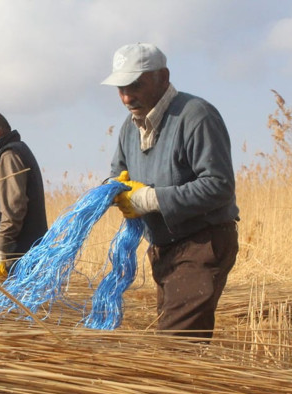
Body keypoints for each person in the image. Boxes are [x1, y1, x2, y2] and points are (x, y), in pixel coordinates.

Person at [101, 43, 239, 339]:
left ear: (163, 77)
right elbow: (117, 173)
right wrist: (110, 191)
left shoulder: (195, 116)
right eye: (120, 88)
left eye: (135, 84)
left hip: (201, 243)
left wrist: (150, 199)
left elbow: (219, 186)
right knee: (177, 345)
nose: (126, 96)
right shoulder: (129, 127)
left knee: (175, 348)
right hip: (163, 249)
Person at [0, 111, 47, 280]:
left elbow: (14, 208)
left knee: (10, 306)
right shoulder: (4, 155)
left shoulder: (8, 156)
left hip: (13, 261)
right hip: (11, 258)